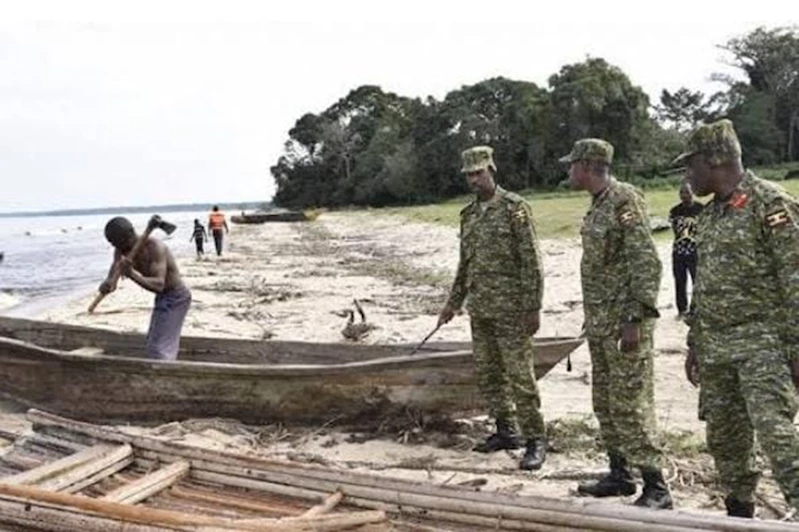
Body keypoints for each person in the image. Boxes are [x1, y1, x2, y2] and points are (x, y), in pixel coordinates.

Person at [678, 119, 799, 518]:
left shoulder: (771, 204)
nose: (687, 175)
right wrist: (695, 343)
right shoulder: (710, 216)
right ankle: (740, 516)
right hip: (717, 350)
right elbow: (705, 286)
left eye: (690, 164)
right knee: (726, 443)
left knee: (778, 438)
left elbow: (796, 280)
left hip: (764, 349)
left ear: (715, 160)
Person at [560, 138, 672, 509]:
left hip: (625, 322)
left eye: (572, 165)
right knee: (605, 401)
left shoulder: (625, 200)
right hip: (601, 322)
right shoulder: (598, 205)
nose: (569, 171)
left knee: (631, 404)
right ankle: (620, 474)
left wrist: (634, 319)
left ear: (588, 166)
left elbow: (646, 263)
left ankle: (656, 487)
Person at [438, 145, 547, 471]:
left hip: (512, 310)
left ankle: (535, 440)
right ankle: (505, 430)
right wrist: (452, 303)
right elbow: (465, 265)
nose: (474, 179)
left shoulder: (515, 208)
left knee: (520, 377)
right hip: (481, 308)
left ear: (491, 169)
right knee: (490, 375)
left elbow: (532, 261)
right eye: (469, 174)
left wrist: (533, 306)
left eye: (479, 173)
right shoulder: (468, 215)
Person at [99, 216, 191, 360]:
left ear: (127, 236)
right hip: (162, 298)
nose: (113, 246)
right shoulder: (121, 250)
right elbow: (112, 280)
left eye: (114, 242)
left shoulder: (154, 247)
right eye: (111, 243)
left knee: (159, 350)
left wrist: (131, 274)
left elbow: (159, 285)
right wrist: (107, 285)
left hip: (176, 297)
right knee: (153, 344)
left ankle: (165, 374)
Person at [668, 183, 703, 319]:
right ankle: (682, 309)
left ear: (692, 193)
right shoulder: (675, 211)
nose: (685, 196)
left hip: (695, 250)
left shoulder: (701, 209)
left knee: (697, 281)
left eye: (687, 192)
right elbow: (674, 229)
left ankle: (697, 309)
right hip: (679, 251)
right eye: (682, 193)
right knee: (680, 281)